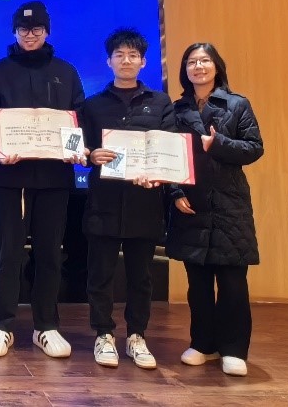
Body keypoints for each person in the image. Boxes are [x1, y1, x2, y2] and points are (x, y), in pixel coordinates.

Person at [0, 1, 86, 359]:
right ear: (14, 32)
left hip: (55, 177)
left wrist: (75, 150)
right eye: (23, 29)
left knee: (49, 253)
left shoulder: (65, 72)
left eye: (37, 29)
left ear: (47, 32)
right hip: (11, 177)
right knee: (7, 254)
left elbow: (77, 118)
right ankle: (3, 324)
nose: (30, 35)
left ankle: (46, 326)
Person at [79, 28, 176, 370]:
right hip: (103, 201)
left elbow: (169, 147)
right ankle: (103, 334)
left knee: (141, 276)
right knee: (100, 274)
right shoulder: (92, 104)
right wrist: (91, 155)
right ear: (109, 61)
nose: (126, 60)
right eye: (119, 55)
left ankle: (137, 335)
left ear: (143, 62)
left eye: (133, 55)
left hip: (144, 202)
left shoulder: (161, 103)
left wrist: (158, 172)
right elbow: (81, 147)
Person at [166, 43, 263, 377]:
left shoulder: (237, 104)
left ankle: (233, 349)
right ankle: (203, 344)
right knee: (198, 283)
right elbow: (169, 156)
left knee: (233, 282)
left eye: (204, 60)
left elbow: (254, 148)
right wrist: (175, 191)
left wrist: (218, 143)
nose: (198, 67)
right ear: (185, 70)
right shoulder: (176, 109)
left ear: (217, 66)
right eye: (191, 62)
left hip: (229, 204)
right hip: (191, 203)